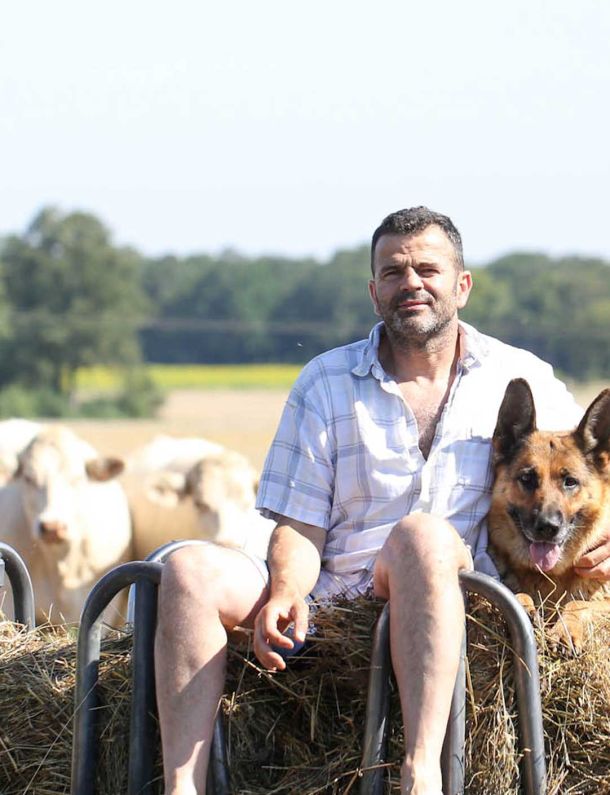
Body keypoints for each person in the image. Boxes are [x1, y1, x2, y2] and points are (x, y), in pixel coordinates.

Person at [155, 206, 610, 795]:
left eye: (428, 269)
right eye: (393, 272)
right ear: (375, 293)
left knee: (422, 535)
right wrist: (287, 591)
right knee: (188, 568)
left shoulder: (521, 375)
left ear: (462, 286)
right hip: (333, 599)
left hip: (455, 599)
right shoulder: (325, 381)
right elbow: (300, 525)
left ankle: (421, 775)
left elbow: (584, 472)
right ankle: (181, 786)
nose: (411, 283)